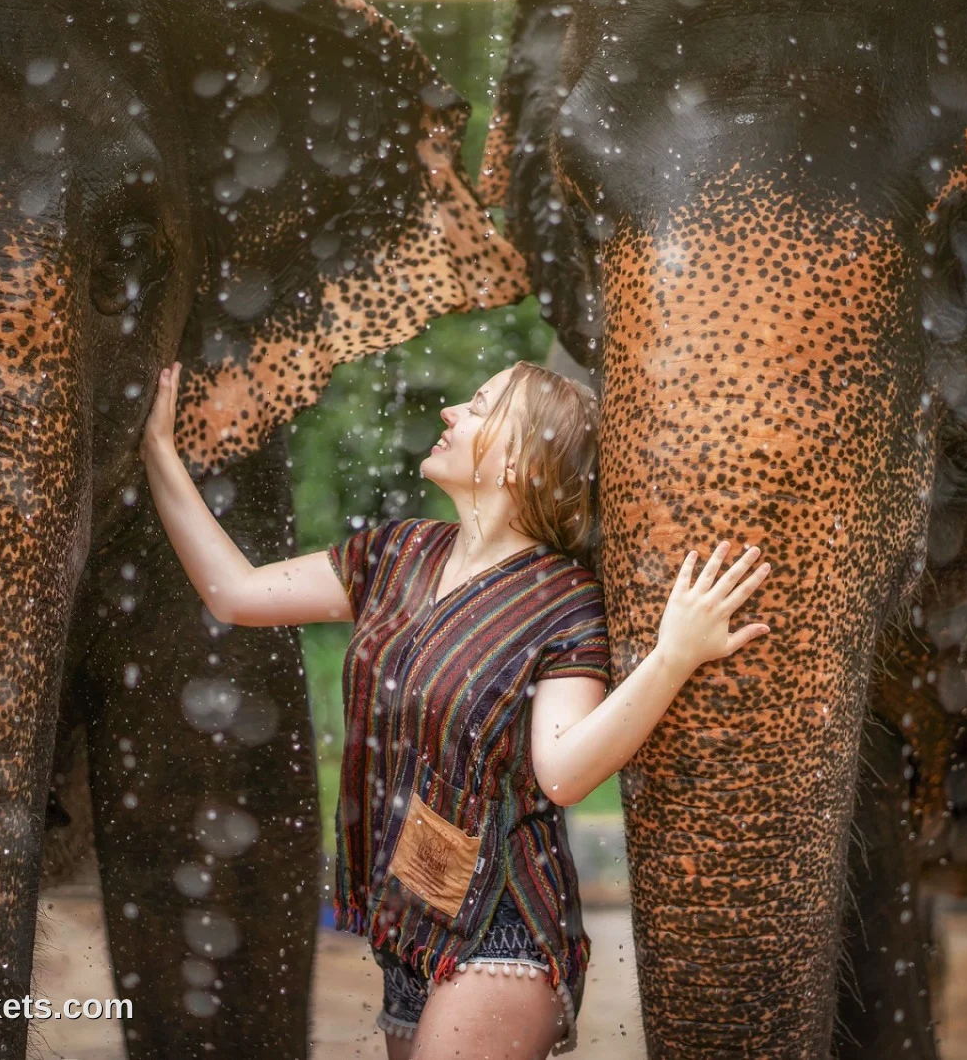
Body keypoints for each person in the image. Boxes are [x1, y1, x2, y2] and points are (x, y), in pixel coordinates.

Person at [140, 358, 772, 1060]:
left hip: (505, 927)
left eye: (478, 406)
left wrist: (673, 657)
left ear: (522, 459)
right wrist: (157, 450)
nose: (449, 413)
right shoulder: (399, 553)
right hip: (409, 924)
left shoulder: (564, 602)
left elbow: (564, 773)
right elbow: (234, 593)